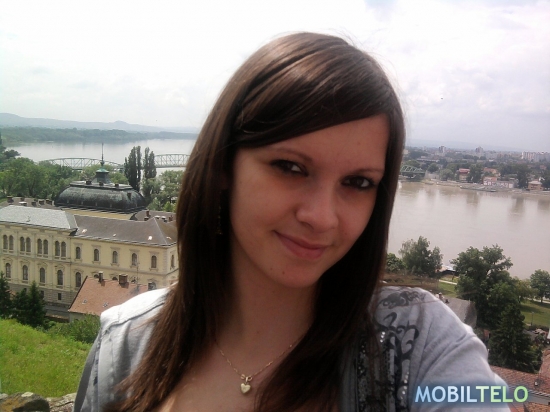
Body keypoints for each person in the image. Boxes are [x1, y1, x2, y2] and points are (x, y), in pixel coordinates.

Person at [74, 32, 504, 412]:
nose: (321, 217)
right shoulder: (126, 345)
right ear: (224, 166)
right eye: (291, 167)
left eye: (357, 182)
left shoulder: (420, 348)